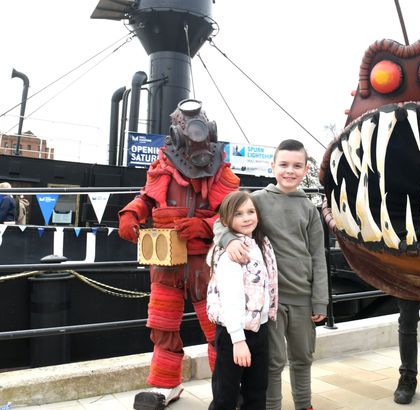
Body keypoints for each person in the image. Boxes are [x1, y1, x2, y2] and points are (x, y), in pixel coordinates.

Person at [117, 99, 239, 410]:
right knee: (162, 323)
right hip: (165, 261)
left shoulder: (220, 169)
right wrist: (131, 213)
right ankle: (165, 384)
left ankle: (226, 387)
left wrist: (204, 225)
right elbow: (147, 197)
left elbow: (232, 213)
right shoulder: (163, 164)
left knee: (217, 324)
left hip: (206, 262)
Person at [215, 139, 327, 410]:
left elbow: (318, 256)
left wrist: (320, 300)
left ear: (305, 169)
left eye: (297, 166)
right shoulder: (257, 201)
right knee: (273, 362)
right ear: (273, 166)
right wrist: (229, 240)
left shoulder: (309, 209)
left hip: (303, 298)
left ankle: (304, 404)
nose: (290, 171)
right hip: (271, 301)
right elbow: (221, 222)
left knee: (303, 357)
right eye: (284, 164)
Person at [207, 191, 278, 410]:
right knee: (226, 394)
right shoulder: (232, 253)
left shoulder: (260, 244)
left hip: (259, 328)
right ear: (226, 220)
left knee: (256, 391)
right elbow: (231, 300)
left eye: (250, 212)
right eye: (238, 214)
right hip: (234, 333)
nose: (246, 218)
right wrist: (238, 341)